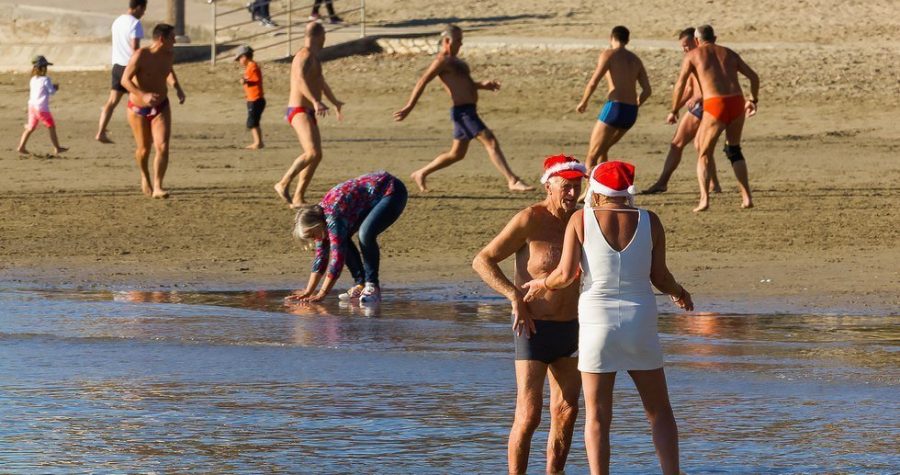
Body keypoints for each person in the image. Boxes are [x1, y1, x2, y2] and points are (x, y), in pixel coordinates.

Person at [523, 160, 694, 475]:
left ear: (596, 190)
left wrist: (541, 283)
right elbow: (660, 276)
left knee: (598, 415)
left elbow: (564, 275)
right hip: (639, 322)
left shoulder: (581, 219)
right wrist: (679, 292)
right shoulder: (650, 220)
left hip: (597, 324)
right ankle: (672, 472)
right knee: (659, 410)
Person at [472, 155, 586, 474]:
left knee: (567, 410)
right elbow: (483, 260)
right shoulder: (530, 219)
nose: (572, 193)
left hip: (573, 328)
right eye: (565, 186)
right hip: (533, 326)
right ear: (548, 185)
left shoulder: (583, 220)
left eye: (577, 186)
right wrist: (513, 295)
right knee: (530, 413)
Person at [393, 25, 533, 193]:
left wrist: (482, 85)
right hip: (463, 112)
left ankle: (421, 173)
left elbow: (465, 85)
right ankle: (512, 180)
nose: (461, 44)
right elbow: (423, 81)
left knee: (456, 154)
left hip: (467, 110)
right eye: (458, 40)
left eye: (461, 40)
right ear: (447, 41)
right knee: (490, 141)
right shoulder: (441, 61)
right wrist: (410, 106)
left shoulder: (457, 62)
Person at [669, 24, 760, 211]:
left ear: (696, 41)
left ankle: (704, 199)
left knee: (703, 152)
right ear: (715, 38)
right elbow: (754, 77)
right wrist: (753, 100)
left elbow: (680, 85)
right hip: (736, 102)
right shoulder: (729, 53)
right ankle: (746, 197)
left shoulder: (692, 55)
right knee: (734, 150)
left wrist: (673, 109)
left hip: (715, 104)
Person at [286, 171, 408, 304]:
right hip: (372, 197)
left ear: (315, 224)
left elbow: (337, 259)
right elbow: (321, 258)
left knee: (365, 234)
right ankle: (361, 284)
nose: (313, 239)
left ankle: (372, 287)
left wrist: (322, 293)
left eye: (311, 234)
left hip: (391, 190)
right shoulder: (321, 218)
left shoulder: (333, 216)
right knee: (342, 239)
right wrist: (308, 291)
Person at [643, 27, 721, 195]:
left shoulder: (697, 57)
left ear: (696, 40)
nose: (685, 49)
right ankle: (715, 184)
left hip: (704, 106)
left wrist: (676, 108)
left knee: (677, 144)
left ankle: (662, 183)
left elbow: (701, 87)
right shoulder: (706, 56)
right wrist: (678, 107)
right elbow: (692, 89)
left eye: (687, 45)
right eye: (683, 46)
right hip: (709, 106)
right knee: (702, 146)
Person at [275, 21, 344, 208]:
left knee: (316, 154)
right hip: (298, 110)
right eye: (324, 37)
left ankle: (298, 197)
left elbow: (321, 82)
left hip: (307, 110)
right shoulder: (303, 55)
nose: (325, 40)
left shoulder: (315, 58)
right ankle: (283, 183)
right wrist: (315, 101)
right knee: (312, 152)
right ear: (318, 36)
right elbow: (299, 80)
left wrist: (335, 102)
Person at [575, 26, 651, 180]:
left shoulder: (609, 54)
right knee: (603, 149)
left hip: (615, 107)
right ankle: (605, 186)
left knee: (591, 155)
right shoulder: (636, 60)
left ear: (611, 38)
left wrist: (584, 101)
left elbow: (593, 81)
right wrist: (636, 104)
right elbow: (647, 90)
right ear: (627, 40)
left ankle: (590, 194)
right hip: (631, 112)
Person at [120, 23, 187, 198]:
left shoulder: (169, 54)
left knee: (163, 146)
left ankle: (158, 186)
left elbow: (168, 71)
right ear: (161, 39)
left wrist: (177, 88)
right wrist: (143, 95)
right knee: (144, 150)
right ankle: (144, 176)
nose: (175, 40)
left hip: (161, 106)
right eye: (172, 37)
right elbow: (125, 80)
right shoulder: (141, 55)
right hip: (138, 109)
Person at [96, 0, 147, 144]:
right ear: (138, 8)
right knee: (140, 99)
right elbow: (135, 47)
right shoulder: (135, 23)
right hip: (130, 67)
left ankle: (100, 132)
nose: (143, 13)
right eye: (143, 10)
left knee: (112, 101)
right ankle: (143, 132)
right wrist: (141, 65)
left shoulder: (117, 21)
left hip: (117, 66)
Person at [17, 55, 67, 156]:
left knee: (30, 127)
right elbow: (51, 92)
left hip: (32, 106)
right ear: (43, 68)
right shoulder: (46, 79)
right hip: (42, 108)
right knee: (51, 126)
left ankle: (21, 147)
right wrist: (55, 87)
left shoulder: (33, 79)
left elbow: (39, 90)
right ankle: (57, 148)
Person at [236, 45, 266, 149]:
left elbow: (256, 79)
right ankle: (258, 141)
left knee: (253, 122)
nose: (239, 61)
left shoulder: (253, 66)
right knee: (253, 121)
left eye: (239, 58)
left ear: (244, 56)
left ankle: (258, 142)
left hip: (256, 99)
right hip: (252, 98)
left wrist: (246, 81)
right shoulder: (249, 67)